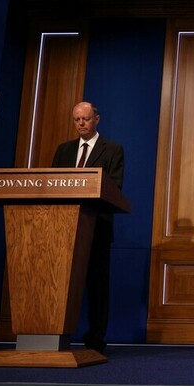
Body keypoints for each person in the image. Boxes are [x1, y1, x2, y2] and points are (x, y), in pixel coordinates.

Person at [52, 101, 125, 354]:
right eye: (76, 119)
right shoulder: (63, 151)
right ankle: (55, 334)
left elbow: (114, 188)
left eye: (85, 118)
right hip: (62, 229)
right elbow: (53, 185)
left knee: (97, 286)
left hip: (96, 228)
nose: (80, 123)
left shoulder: (112, 150)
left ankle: (95, 340)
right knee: (59, 284)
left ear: (96, 119)